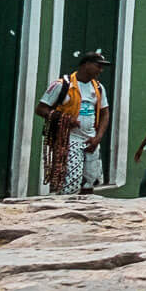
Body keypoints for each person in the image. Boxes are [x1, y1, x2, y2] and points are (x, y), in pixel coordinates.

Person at [37, 50, 112, 195]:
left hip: (91, 139)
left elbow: (105, 113)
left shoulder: (98, 88)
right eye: (98, 66)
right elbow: (41, 109)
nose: (100, 70)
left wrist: (98, 137)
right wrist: (62, 118)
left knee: (90, 181)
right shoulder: (62, 85)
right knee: (71, 180)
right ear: (86, 65)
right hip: (69, 139)